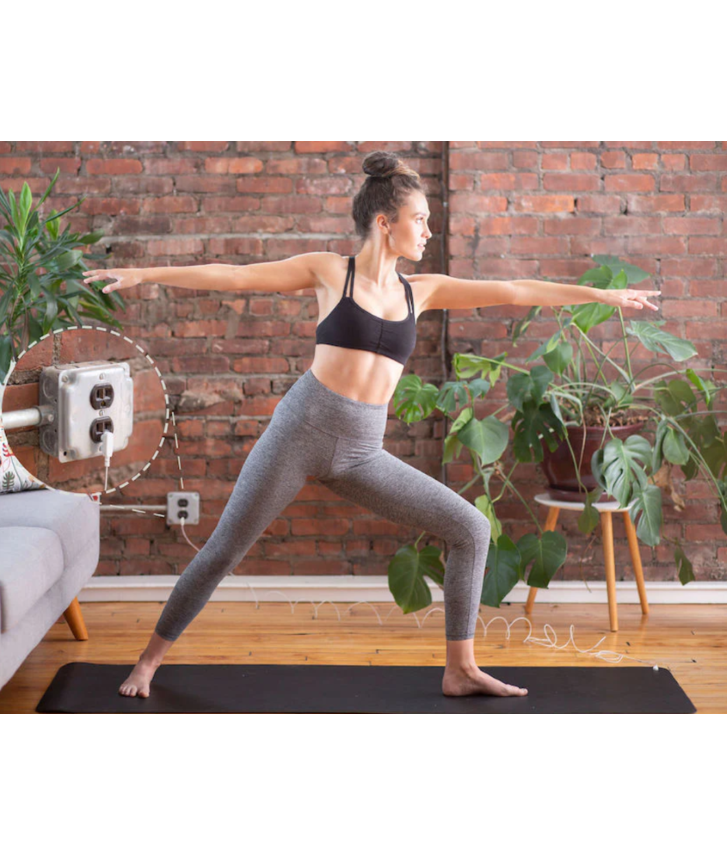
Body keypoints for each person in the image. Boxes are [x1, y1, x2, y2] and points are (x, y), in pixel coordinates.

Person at [82, 151, 661, 701]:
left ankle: (460, 669)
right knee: (222, 552)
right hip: (300, 435)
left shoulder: (422, 290)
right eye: (420, 220)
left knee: (469, 530)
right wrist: (145, 274)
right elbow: (235, 276)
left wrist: (603, 295)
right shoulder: (329, 272)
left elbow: (515, 291)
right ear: (386, 224)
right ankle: (148, 660)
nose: (428, 230)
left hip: (361, 451)